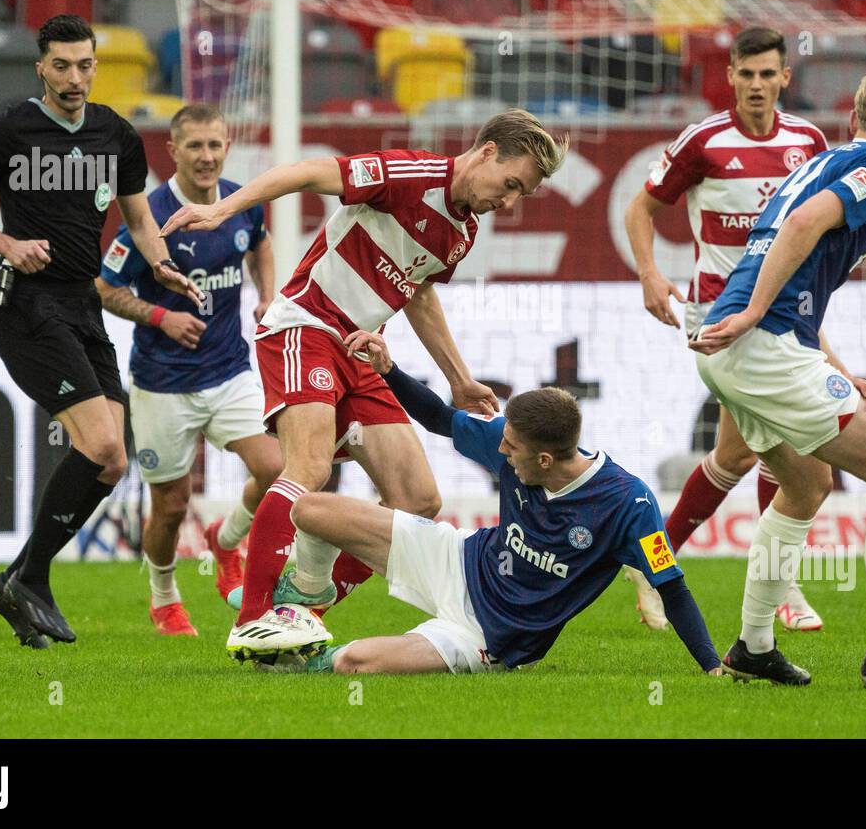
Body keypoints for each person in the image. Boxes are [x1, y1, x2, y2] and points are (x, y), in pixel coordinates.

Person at [158, 110, 568, 656]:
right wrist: (222, 208)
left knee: (418, 499)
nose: (510, 202)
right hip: (306, 324)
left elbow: (418, 292)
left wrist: (459, 379)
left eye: (522, 195)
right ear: (488, 152)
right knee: (308, 468)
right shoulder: (409, 175)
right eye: (511, 184)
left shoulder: (462, 230)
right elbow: (307, 172)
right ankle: (253, 620)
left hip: (361, 350)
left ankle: (299, 609)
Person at [0, 14, 200, 648]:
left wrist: (160, 265)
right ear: (40, 68)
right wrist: (4, 243)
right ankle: (32, 577)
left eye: (85, 65)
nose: (75, 78)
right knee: (102, 445)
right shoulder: (7, 130)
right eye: (62, 66)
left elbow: (138, 216)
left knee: (112, 464)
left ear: (96, 65)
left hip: (83, 306)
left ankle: (19, 581)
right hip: (26, 306)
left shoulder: (116, 134)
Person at [232, 328, 725, 678]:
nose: (501, 451)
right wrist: (389, 369)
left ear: (548, 460)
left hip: (490, 635)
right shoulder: (511, 443)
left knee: (352, 663)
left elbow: (673, 588)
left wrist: (712, 666)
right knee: (310, 510)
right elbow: (440, 418)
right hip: (458, 558)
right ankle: (301, 608)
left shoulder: (629, 504)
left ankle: (300, 657)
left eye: (512, 448)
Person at [691, 66, 866, 689]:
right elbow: (803, 229)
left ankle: (752, 648)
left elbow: (792, 267)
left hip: (734, 347)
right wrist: (753, 315)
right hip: (758, 341)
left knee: (804, 486)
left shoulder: (821, 162)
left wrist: (842, 373)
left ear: (853, 117)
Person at [625, 26, 830, 632]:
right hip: (718, 317)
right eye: (748, 74)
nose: (758, 85)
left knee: (738, 454)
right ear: (731, 77)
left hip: (781, 313)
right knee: (783, 450)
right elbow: (641, 207)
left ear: (785, 78)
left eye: (770, 74)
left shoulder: (809, 141)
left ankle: (652, 560)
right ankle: (783, 590)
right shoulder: (705, 141)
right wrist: (648, 275)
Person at [96, 103, 283, 635]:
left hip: (229, 370)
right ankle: (164, 597)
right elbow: (104, 287)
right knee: (172, 505)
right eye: (195, 147)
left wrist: (266, 297)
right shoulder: (147, 216)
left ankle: (226, 541)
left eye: (215, 145)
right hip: (163, 382)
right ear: (173, 151)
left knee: (279, 470)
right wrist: (162, 316)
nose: (207, 157)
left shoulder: (241, 203)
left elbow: (261, 244)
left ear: (227, 148)